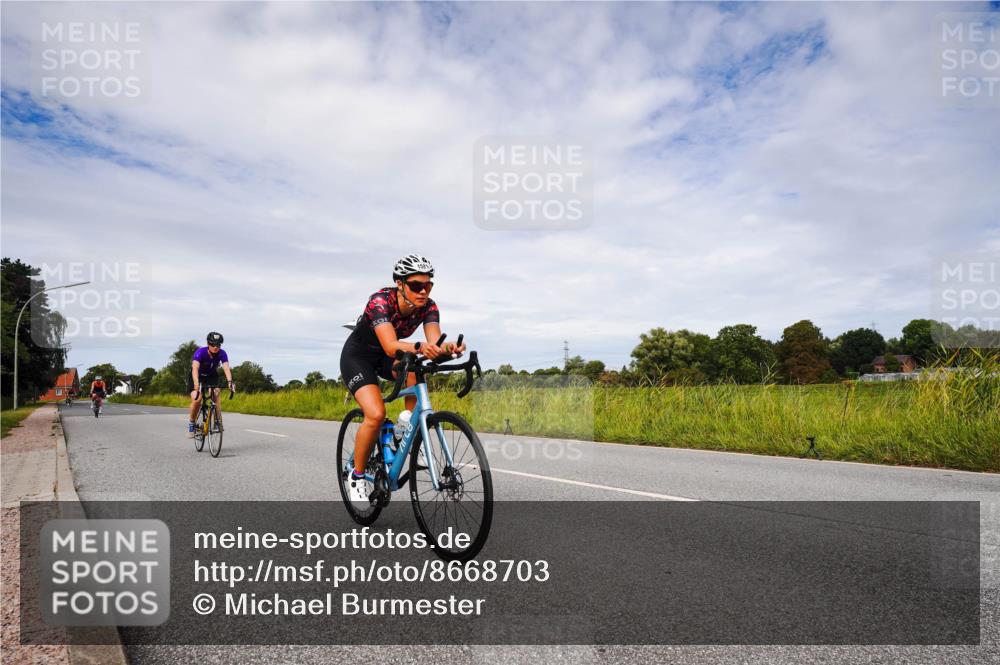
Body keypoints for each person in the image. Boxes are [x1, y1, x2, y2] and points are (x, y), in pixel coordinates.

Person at [340, 254, 465, 507]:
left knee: (414, 369)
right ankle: (357, 474)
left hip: (393, 357)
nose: (423, 291)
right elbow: (389, 346)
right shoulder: (380, 302)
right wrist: (420, 346)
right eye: (416, 286)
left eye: (428, 285)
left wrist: (450, 348)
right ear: (400, 284)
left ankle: (405, 425)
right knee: (375, 414)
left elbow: (434, 342)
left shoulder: (429, 306)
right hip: (360, 356)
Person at [187, 332, 235, 438]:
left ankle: (217, 421)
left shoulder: (222, 353)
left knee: (215, 394)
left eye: (218, 345)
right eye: (213, 345)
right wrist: (196, 382)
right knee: (197, 399)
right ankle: (191, 423)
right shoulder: (200, 352)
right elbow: (195, 368)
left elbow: (226, 367)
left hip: (211, 376)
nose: (216, 347)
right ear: (208, 343)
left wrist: (230, 382)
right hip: (197, 376)